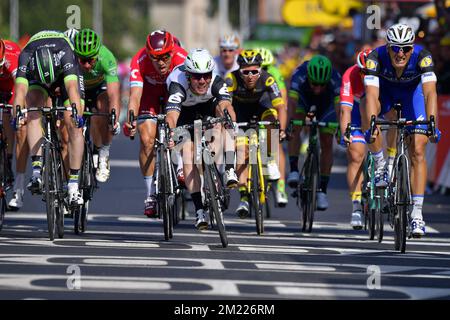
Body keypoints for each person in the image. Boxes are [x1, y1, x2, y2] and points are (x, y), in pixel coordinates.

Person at [363, 23, 441, 237]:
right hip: (384, 95)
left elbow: (430, 94)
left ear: (412, 47)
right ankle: (380, 163)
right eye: (395, 48)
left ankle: (417, 214)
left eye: (406, 48)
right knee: (367, 110)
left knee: (417, 149)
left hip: (412, 97)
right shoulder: (375, 58)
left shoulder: (423, 56)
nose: (400, 53)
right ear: (388, 47)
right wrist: (372, 122)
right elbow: (371, 95)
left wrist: (432, 123)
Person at [165, 48, 238, 229]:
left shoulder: (216, 81)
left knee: (225, 124)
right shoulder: (177, 83)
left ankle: (229, 170)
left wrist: (229, 119)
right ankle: (199, 211)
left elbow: (225, 104)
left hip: (207, 108)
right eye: (197, 77)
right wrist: (171, 133)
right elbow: (172, 115)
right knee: (188, 155)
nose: (202, 81)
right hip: (185, 113)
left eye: (206, 76)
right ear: (188, 75)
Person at [13, 30, 85, 205]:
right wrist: (17, 114)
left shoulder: (66, 52)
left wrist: (78, 114)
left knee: (72, 121)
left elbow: (73, 89)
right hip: (37, 74)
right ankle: (37, 171)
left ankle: (74, 185)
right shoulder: (26, 56)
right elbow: (20, 91)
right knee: (32, 109)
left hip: (63, 75)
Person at [125, 29, 187, 217]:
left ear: (172, 51)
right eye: (155, 57)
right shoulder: (139, 60)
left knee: (182, 124)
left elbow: (189, 95)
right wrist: (131, 120)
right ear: (148, 55)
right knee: (146, 139)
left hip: (174, 93)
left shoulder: (182, 58)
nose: (161, 62)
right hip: (149, 96)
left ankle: (182, 164)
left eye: (165, 57)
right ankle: (150, 195)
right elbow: (135, 96)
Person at [225, 50, 287, 217]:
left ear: (260, 70)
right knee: (241, 152)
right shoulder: (231, 80)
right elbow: (226, 105)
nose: (250, 76)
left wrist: (281, 130)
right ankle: (244, 197)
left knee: (273, 120)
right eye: (246, 72)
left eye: (254, 71)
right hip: (240, 114)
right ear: (240, 71)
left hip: (262, 109)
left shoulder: (268, 79)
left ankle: (269, 159)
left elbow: (281, 107)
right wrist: (231, 125)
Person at [287, 55, 342, 211]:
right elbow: (291, 102)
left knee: (326, 141)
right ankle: (293, 170)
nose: (317, 88)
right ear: (308, 77)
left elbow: (340, 108)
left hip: (327, 103)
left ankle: (322, 191)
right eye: (314, 84)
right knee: (296, 125)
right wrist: (290, 124)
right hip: (304, 98)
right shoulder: (300, 74)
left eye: (321, 85)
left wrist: (340, 128)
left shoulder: (335, 78)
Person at [72, 28, 121, 183]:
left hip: (98, 88)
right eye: (82, 60)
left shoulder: (107, 57)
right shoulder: (70, 57)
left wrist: (114, 120)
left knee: (102, 109)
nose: (86, 65)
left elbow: (114, 94)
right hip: (78, 88)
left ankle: (103, 152)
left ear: (97, 55)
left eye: (90, 60)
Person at [257, 47, 288, 206]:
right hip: (255, 108)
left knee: (275, 144)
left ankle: (281, 187)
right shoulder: (250, 74)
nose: (262, 71)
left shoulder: (274, 73)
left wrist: (281, 125)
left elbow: (282, 99)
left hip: (271, 108)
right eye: (260, 68)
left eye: (266, 68)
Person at [0, 38, 26, 209]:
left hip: (12, 88)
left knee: (18, 125)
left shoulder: (12, 55)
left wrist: (19, 110)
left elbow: (20, 86)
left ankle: (9, 162)